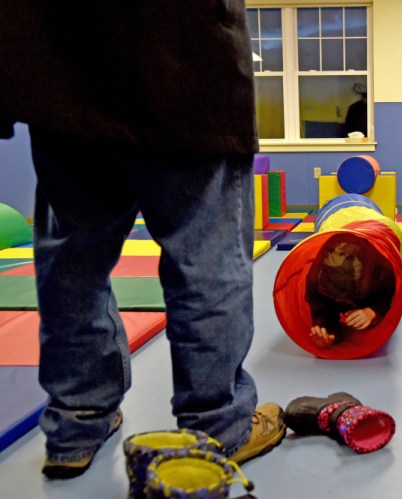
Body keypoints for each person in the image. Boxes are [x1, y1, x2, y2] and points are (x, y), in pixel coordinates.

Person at [0, 2, 286, 479]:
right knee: (207, 263)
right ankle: (218, 428)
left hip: (64, 75)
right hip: (183, 66)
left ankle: (76, 424)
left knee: (72, 260)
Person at [306, 232, 396, 348]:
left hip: (370, 231)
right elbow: (321, 311)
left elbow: (387, 299)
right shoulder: (316, 278)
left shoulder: (380, 272)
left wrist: (372, 312)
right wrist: (326, 333)